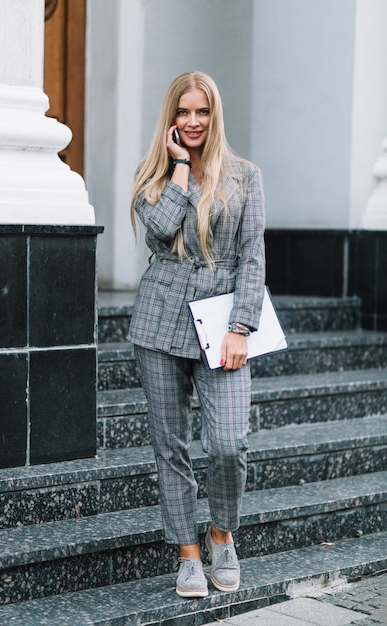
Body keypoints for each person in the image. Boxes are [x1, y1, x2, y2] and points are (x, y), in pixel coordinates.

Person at [127, 71, 265, 598]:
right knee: (171, 447)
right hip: (158, 323)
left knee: (228, 443)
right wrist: (181, 169)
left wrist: (240, 327)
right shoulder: (153, 174)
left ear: (214, 114)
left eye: (201, 112)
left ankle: (221, 535)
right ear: (170, 118)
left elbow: (253, 255)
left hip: (222, 324)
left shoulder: (245, 176)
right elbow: (161, 230)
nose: (192, 121)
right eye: (182, 112)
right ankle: (187, 553)